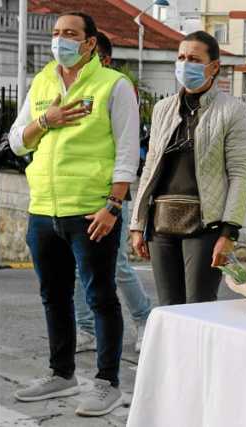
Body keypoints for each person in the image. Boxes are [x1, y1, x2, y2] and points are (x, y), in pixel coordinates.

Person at [8, 12, 139, 417]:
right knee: (54, 296)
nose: (60, 40)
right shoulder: (43, 82)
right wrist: (45, 120)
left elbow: (127, 150)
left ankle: (106, 383)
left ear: (89, 43)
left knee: (100, 297)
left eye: (70, 34)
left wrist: (113, 206)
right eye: (57, 33)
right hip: (44, 209)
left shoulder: (114, 85)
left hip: (90, 210)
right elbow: (16, 142)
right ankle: (61, 373)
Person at [130, 31, 246, 305]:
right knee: (169, 308)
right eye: (182, 57)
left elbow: (240, 173)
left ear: (214, 67)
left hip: (205, 225)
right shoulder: (163, 108)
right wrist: (138, 224)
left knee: (199, 306)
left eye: (195, 59)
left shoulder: (233, 110)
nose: (186, 64)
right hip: (161, 222)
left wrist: (229, 232)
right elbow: (150, 166)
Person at [74, 31, 152, 355]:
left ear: (102, 57)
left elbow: (126, 148)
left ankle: (144, 318)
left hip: (111, 197)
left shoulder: (119, 87)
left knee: (117, 265)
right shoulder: (73, 89)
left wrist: (115, 199)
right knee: (78, 266)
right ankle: (86, 330)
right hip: (77, 192)